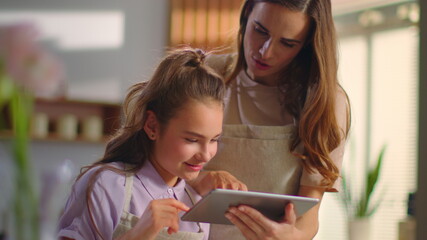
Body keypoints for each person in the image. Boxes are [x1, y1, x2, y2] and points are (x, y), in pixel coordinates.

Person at [187, 0, 351, 239]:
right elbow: (153, 171)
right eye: (260, 31)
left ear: (306, 45)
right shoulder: (202, 75)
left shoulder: (323, 102)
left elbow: (308, 216)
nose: (265, 51)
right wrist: (199, 180)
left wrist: (289, 236)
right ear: (246, 15)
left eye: (287, 43)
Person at [57, 48, 226, 240]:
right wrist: (136, 235)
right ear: (152, 125)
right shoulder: (106, 186)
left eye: (214, 139)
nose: (205, 154)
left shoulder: (197, 201)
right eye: (192, 140)